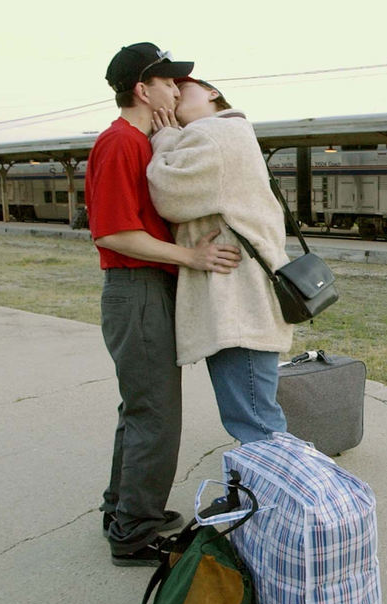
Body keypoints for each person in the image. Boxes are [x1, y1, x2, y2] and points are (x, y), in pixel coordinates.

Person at [86, 43, 242, 567]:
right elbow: (114, 233)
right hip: (137, 289)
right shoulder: (120, 143)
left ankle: (122, 510)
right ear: (142, 89)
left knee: (140, 409)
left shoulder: (140, 141)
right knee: (156, 414)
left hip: (144, 290)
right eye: (169, 82)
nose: (177, 91)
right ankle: (136, 531)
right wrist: (192, 257)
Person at [146, 77, 292, 444]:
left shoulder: (216, 132)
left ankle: (274, 496)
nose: (176, 95)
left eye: (184, 87)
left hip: (237, 303)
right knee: (255, 413)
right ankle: (262, 491)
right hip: (246, 299)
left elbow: (168, 192)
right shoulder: (232, 133)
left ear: (213, 92)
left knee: (254, 421)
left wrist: (163, 139)